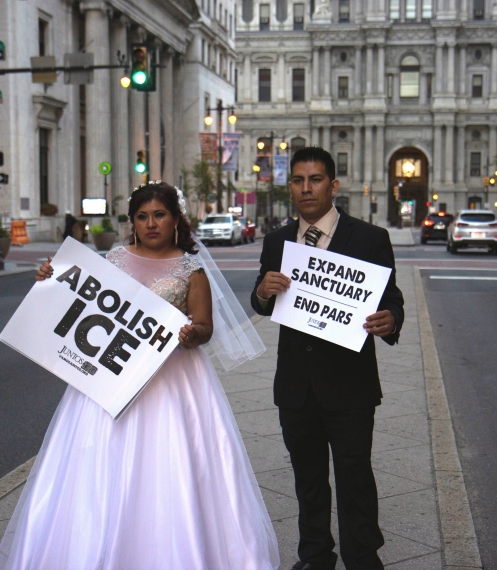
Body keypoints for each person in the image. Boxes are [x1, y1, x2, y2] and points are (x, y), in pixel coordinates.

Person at [0, 181, 279, 570]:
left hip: (172, 384)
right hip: (105, 384)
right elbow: (71, 300)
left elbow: (205, 327)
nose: (151, 224)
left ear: (175, 219)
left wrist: (192, 333)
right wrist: (52, 277)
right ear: (132, 221)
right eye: (142, 217)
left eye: (159, 215)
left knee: (172, 466)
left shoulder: (190, 269)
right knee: (94, 467)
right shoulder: (111, 259)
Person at [251, 147, 404, 570]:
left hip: (350, 384)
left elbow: (391, 299)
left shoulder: (370, 239)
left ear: (333, 186)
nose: (306, 188)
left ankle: (362, 556)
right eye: (298, 180)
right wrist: (263, 291)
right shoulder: (277, 241)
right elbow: (261, 302)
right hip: (297, 386)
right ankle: (316, 556)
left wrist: (390, 319)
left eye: (315, 179)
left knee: (355, 477)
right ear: (291, 188)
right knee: (308, 480)